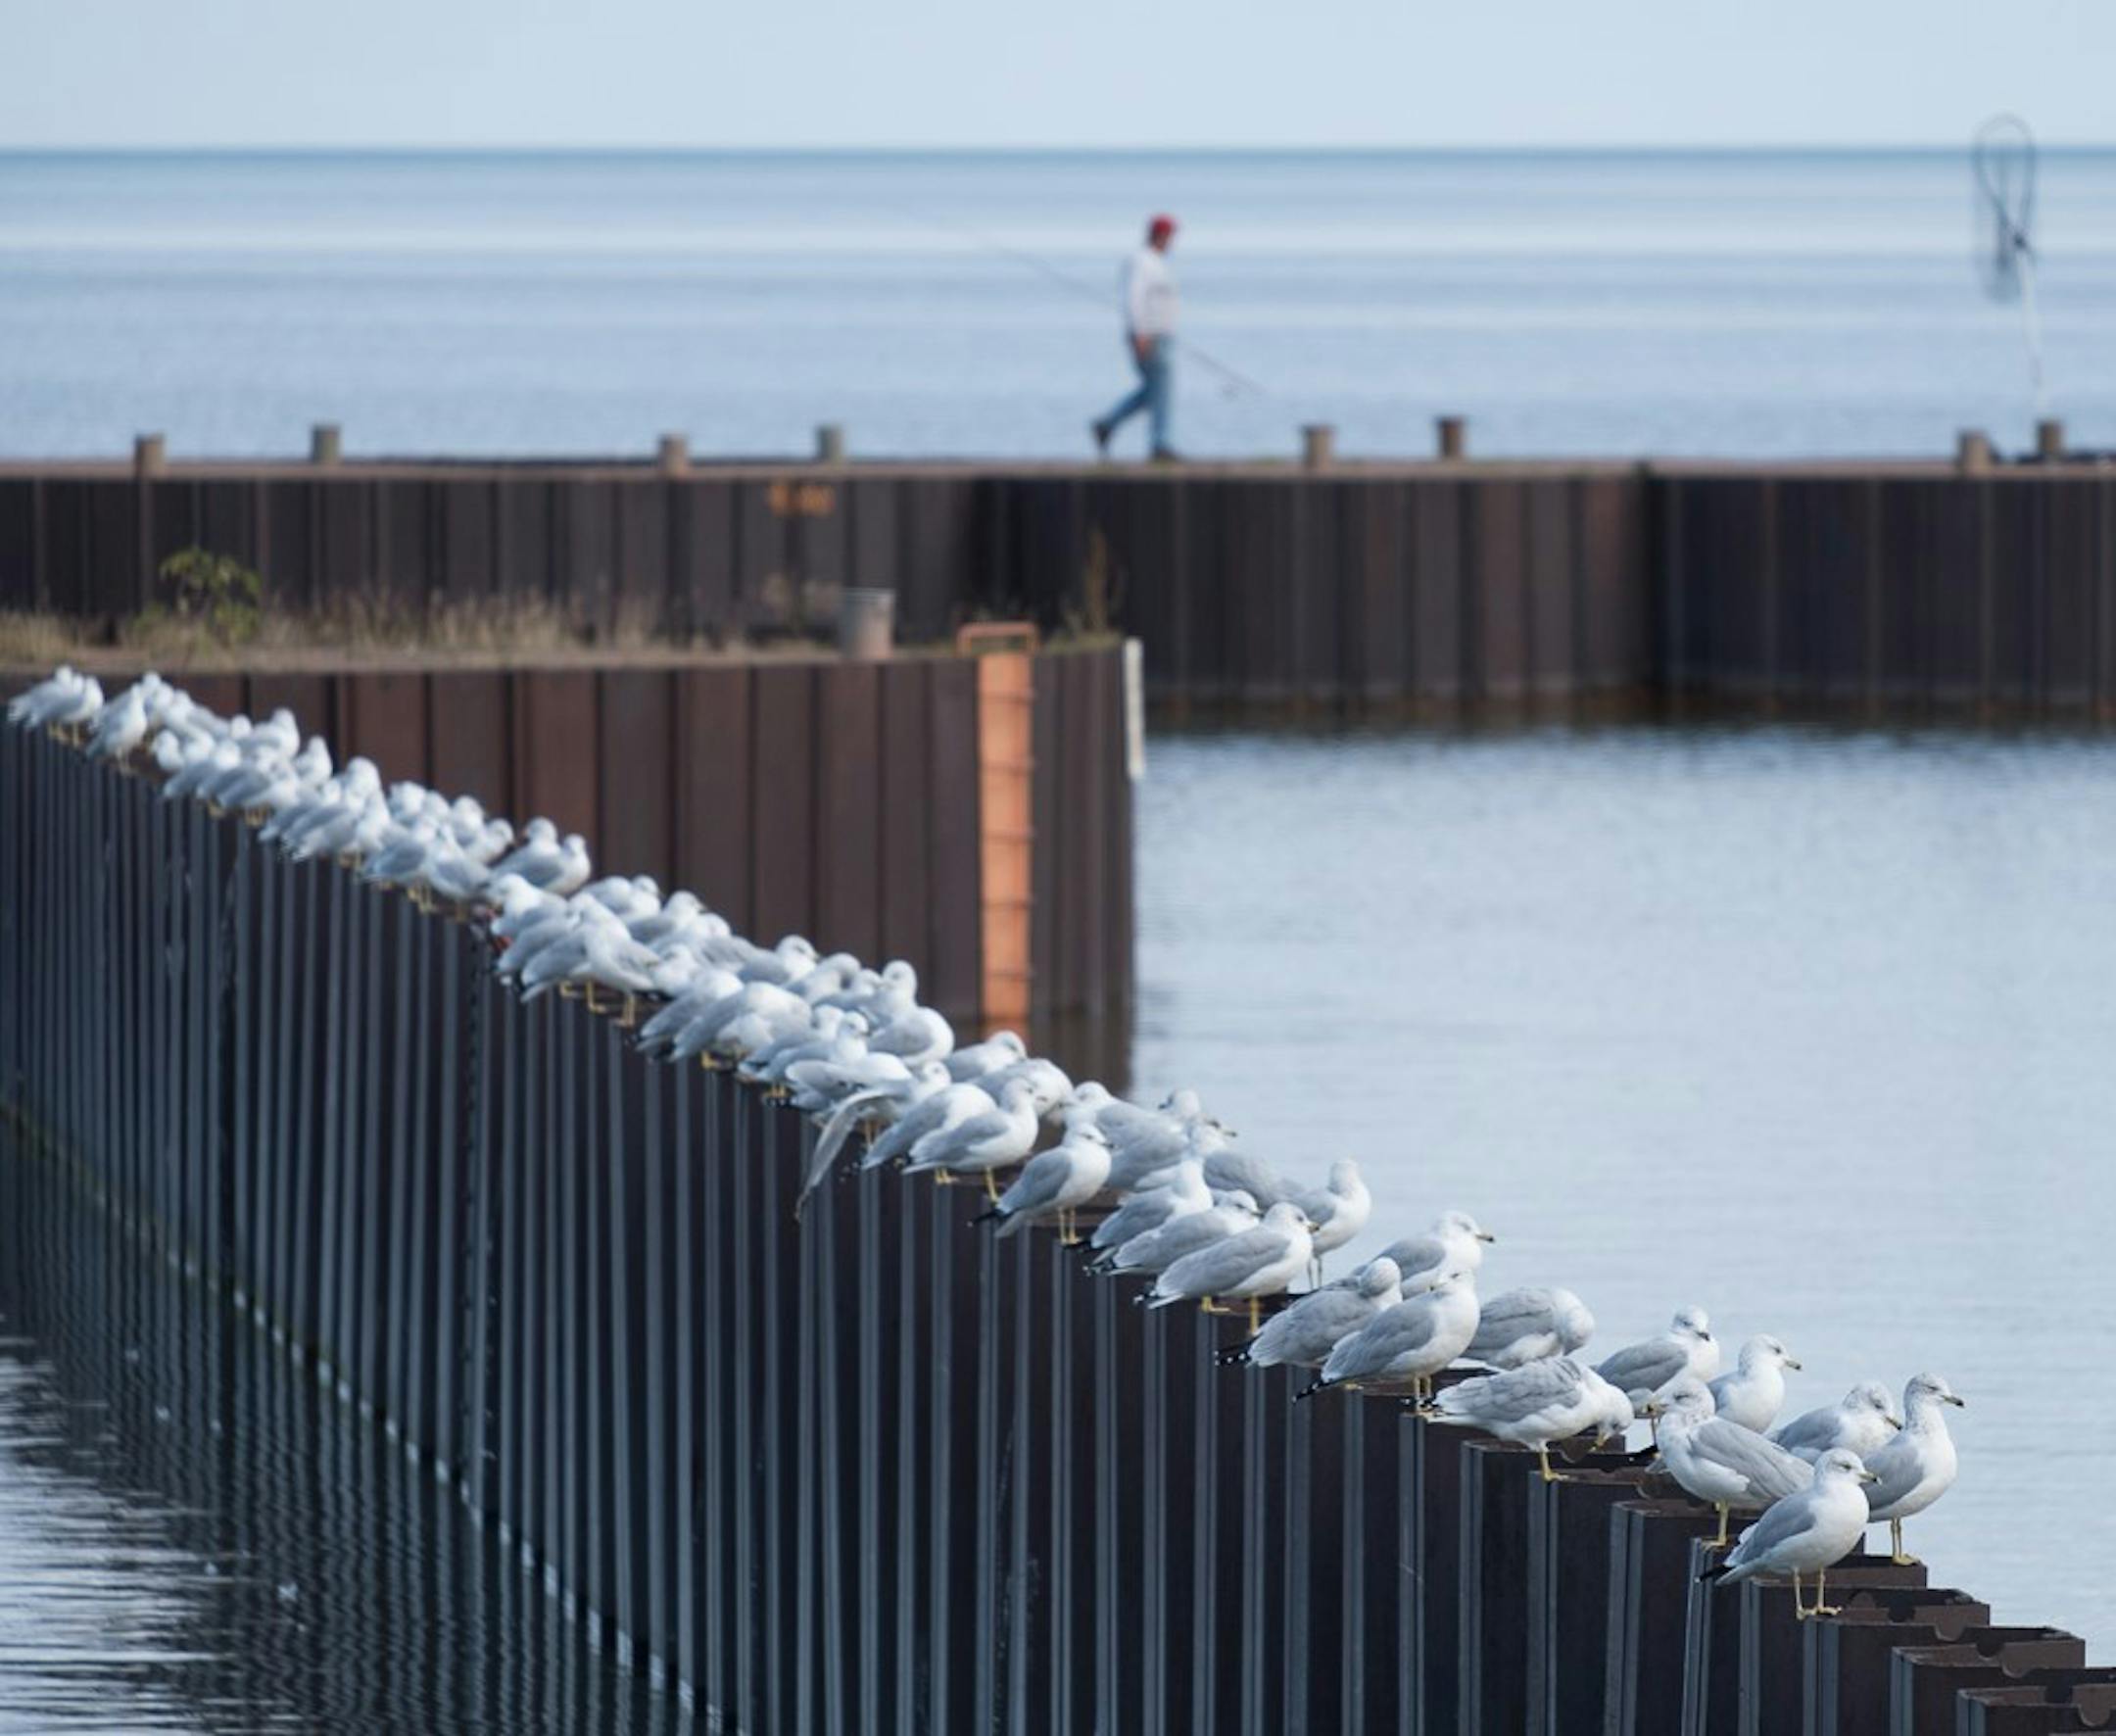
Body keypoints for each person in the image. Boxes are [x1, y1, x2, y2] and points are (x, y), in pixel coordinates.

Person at [1092, 214, 1179, 460]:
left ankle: (1107, 424)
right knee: (1160, 392)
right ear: (1160, 235)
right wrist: (1141, 332)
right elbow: (1134, 298)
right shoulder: (1141, 261)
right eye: (1169, 235)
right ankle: (1160, 443)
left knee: (1153, 391)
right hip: (1150, 336)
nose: (1171, 241)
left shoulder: (1156, 262)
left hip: (1161, 335)